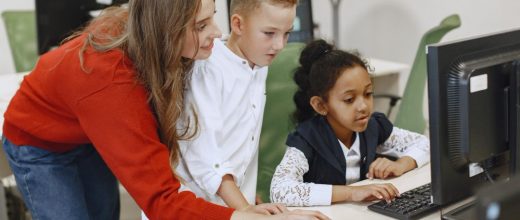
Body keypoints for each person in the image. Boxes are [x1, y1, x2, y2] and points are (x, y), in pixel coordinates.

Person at [1, 0, 328, 219]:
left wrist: (243, 201)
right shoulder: (112, 85)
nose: (216, 31)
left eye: (212, 16)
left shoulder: (151, 30)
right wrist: (237, 215)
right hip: (39, 143)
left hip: (88, 130)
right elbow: (160, 200)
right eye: (200, 26)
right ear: (167, 33)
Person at [269, 40, 430, 206]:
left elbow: (425, 143)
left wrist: (401, 164)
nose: (363, 106)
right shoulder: (307, 139)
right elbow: (279, 190)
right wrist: (352, 193)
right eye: (349, 99)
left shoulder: (373, 127)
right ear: (321, 105)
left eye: (368, 94)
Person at [174, 0, 297, 214]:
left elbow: (242, 143)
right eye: (269, 33)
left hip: (234, 205)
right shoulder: (206, 68)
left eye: (287, 33)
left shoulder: (258, 63)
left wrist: (246, 198)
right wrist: (244, 208)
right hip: (196, 208)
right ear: (238, 25)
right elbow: (206, 159)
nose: (279, 45)